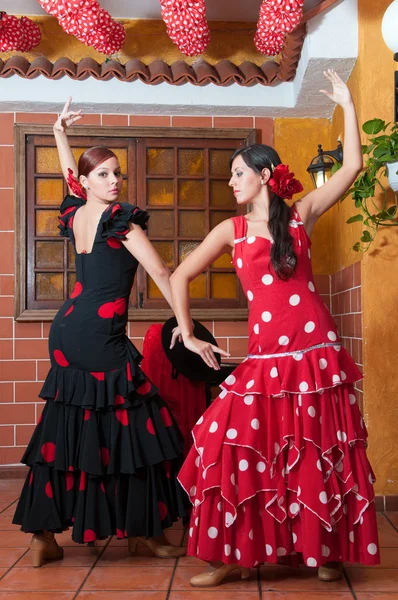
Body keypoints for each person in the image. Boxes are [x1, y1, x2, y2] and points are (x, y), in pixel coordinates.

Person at [170, 70, 380, 587]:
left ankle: (324, 551)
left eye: (239, 173)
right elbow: (179, 275)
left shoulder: (301, 215)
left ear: (264, 175)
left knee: (317, 447)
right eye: (231, 175)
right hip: (265, 355)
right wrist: (189, 332)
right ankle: (236, 557)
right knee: (238, 445)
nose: (232, 181)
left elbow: (352, 166)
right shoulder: (230, 231)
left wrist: (349, 104)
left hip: (315, 350)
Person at [13, 98, 186, 567]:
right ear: (90, 182)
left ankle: (44, 535)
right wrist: (187, 330)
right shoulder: (121, 223)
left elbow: (71, 177)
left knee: (70, 427)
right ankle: (141, 533)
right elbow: (164, 277)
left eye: (117, 174)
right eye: (104, 174)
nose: (113, 180)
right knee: (138, 429)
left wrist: (58, 133)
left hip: (67, 333)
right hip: (98, 337)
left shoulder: (78, 213)